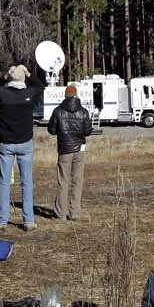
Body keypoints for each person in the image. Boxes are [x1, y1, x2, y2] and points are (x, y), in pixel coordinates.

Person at [0, 63, 38, 231]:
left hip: (7, 143)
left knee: (4, 182)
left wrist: (5, 75)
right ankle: (28, 220)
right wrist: (28, 72)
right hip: (25, 142)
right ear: (23, 78)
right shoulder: (29, 93)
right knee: (27, 182)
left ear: (10, 78)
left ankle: (2, 220)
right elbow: (40, 86)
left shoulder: (3, 94)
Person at [47, 85, 94, 221]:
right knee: (77, 181)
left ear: (65, 95)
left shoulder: (57, 111)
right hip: (79, 149)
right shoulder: (84, 112)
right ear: (76, 95)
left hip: (64, 150)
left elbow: (51, 130)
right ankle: (75, 212)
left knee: (63, 181)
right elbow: (88, 131)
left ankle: (60, 213)